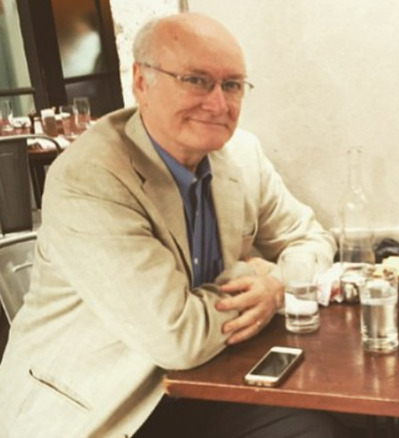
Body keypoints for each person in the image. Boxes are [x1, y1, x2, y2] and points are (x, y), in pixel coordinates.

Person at [0, 13, 345, 438]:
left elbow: (310, 237)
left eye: (232, 84)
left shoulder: (241, 153)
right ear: (141, 82)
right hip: (99, 402)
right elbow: (176, 336)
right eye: (196, 80)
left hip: (206, 379)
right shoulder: (89, 178)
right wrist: (250, 277)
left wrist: (277, 281)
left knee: (316, 428)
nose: (219, 103)